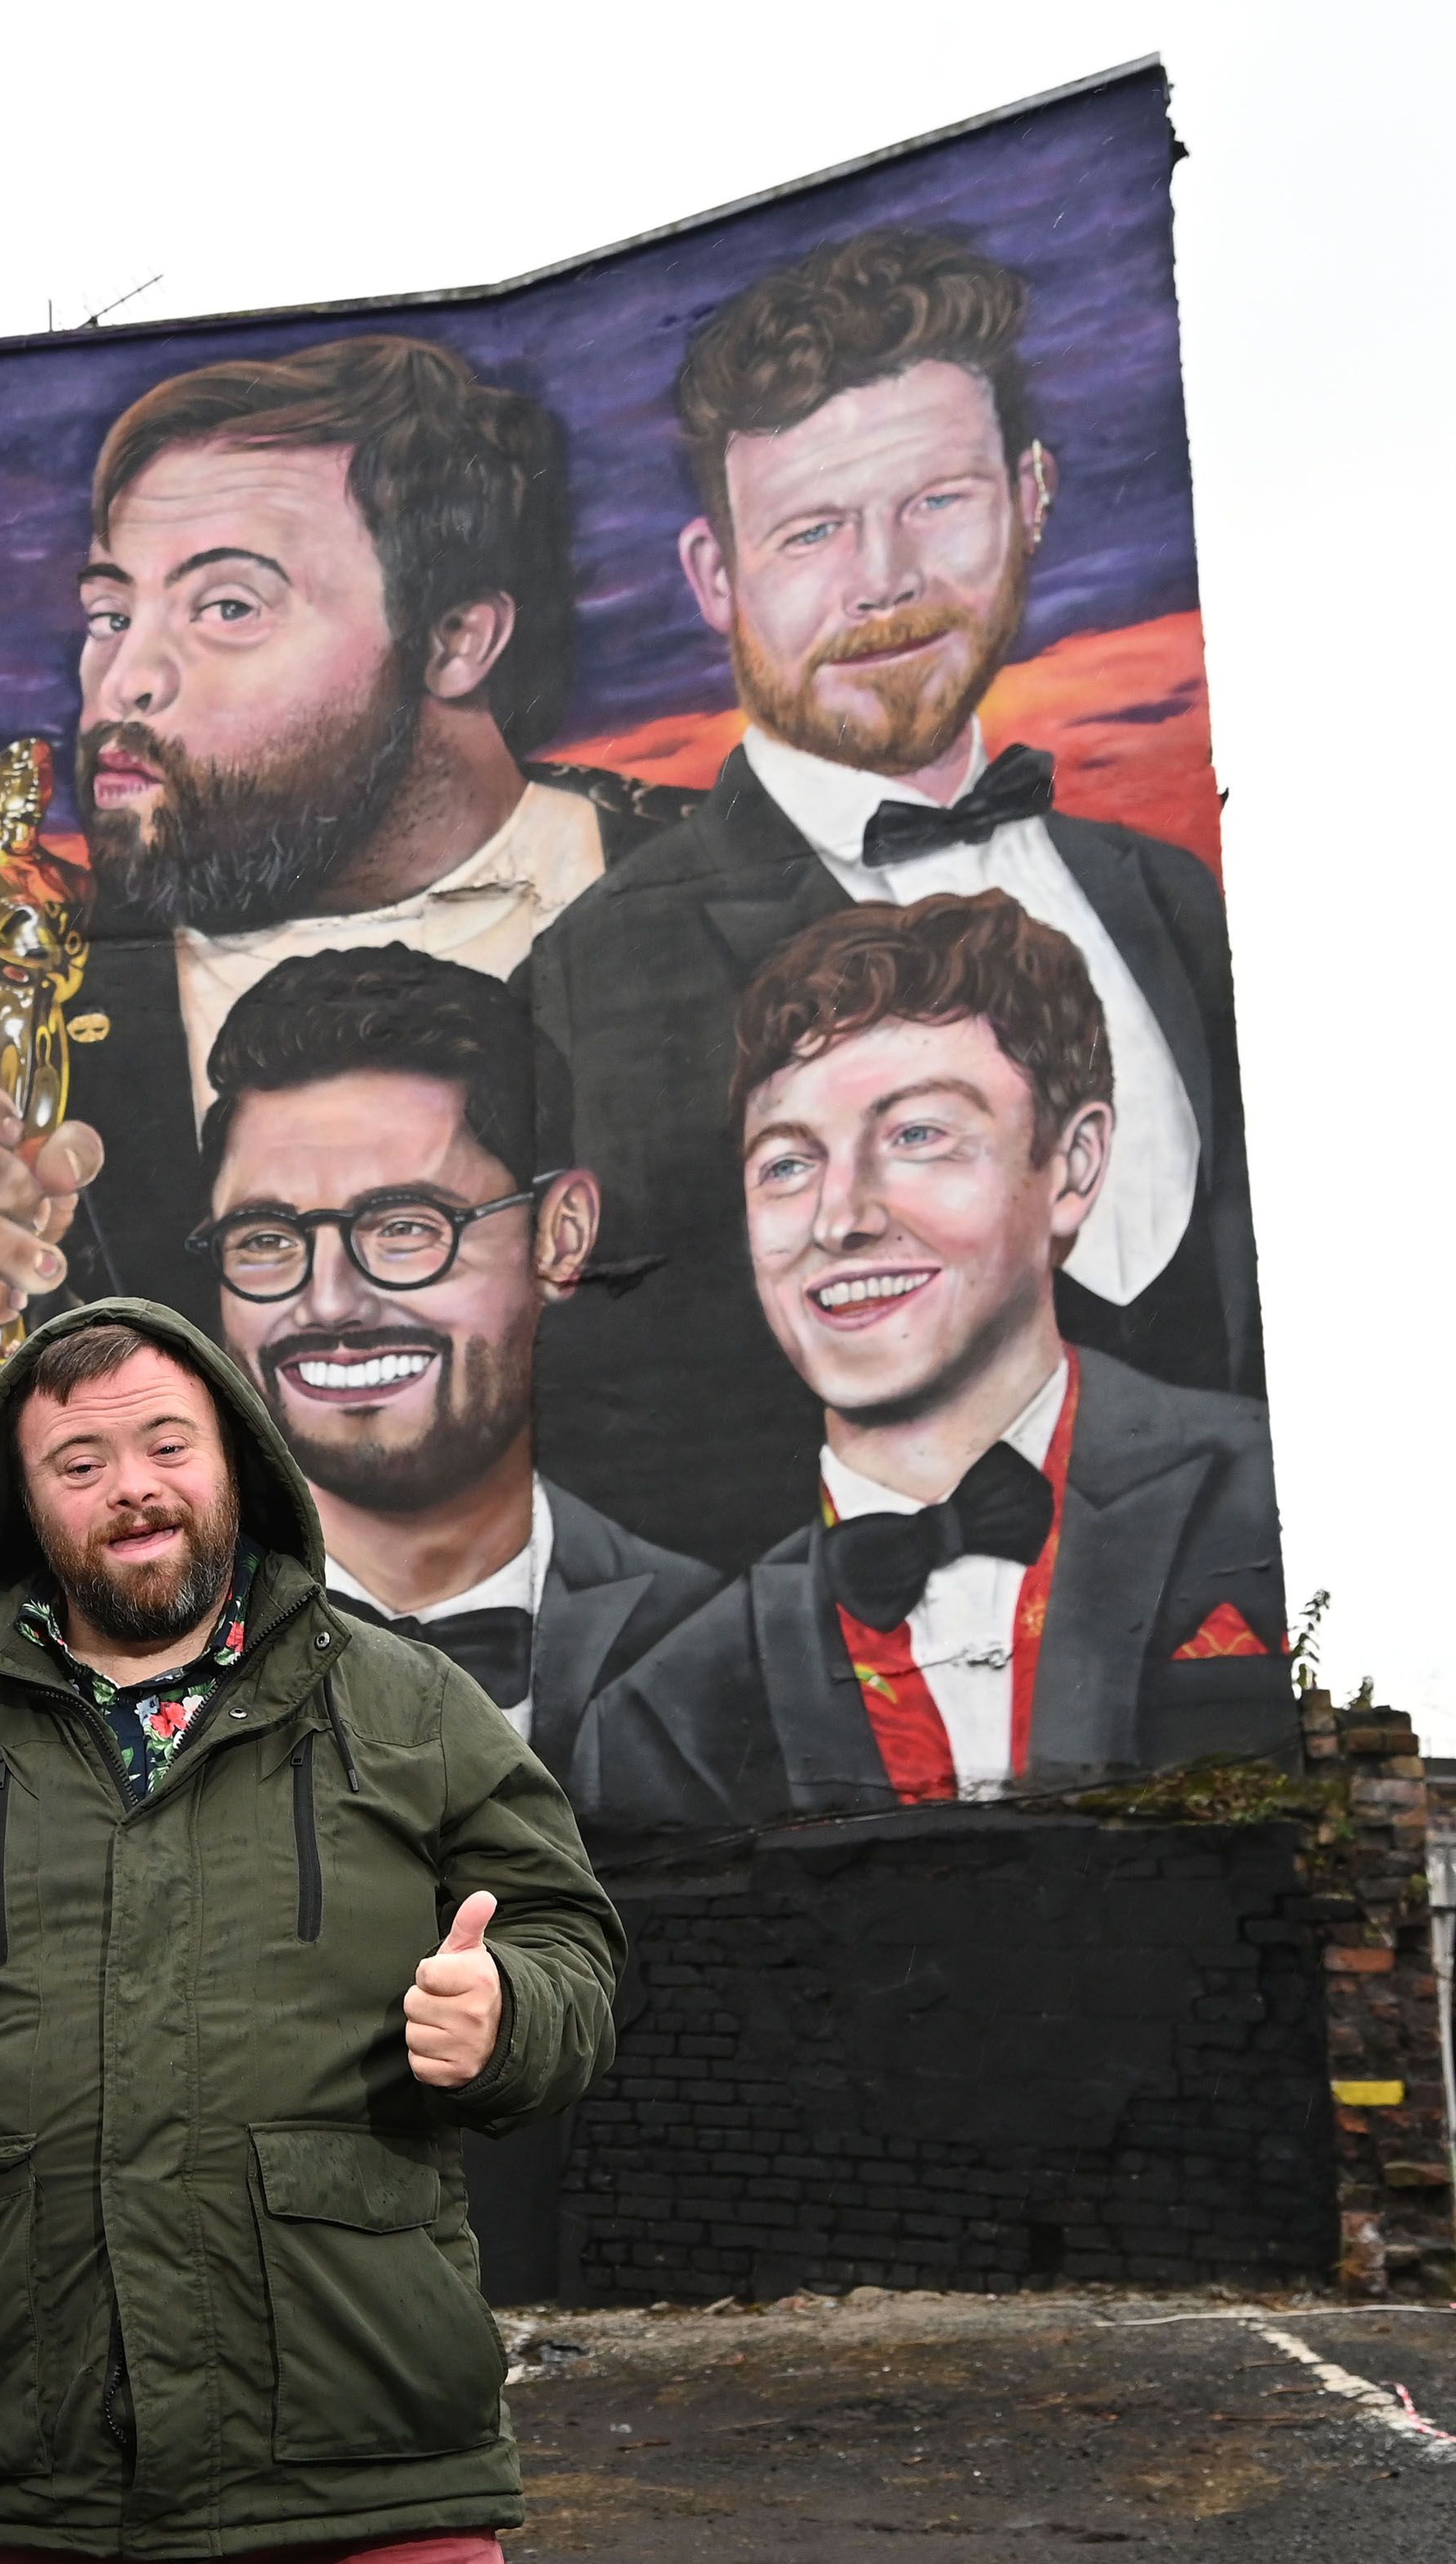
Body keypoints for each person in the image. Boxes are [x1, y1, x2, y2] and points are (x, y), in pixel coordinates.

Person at [0, 335, 691, 1586]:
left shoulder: (716, 902)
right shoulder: (20, 982)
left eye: (227, 606)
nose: (124, 682)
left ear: (456, 638)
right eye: (110, 613)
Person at [0, 1298, 621, 2561]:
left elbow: (567, 1940)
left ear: (237, 1461)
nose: (133, 1487)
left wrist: (511, 2012)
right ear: (22, 1502)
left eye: (167, 1444)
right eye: (79, 1463)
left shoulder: (410, 1703)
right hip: (38, 2467)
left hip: (369, 2460)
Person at [525, 229, 1260, 1573]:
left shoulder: (1165, 897)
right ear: (714, 575)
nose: (885, 578)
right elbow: (616, 1434)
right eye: (813, 530)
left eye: (937, 499)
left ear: (1032, 495)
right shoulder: (591, 974)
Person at [572, 895, 1289, 1837]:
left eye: (916, 1135)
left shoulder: (1269, 1494)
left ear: (1072, 1166)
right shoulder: (666, 1715)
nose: (840, 1218)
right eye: (786, 1165)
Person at [196, 945, 720, 1783]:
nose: (328, 1303)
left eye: (405, 1227)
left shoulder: (721, 1636)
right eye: (266, 1239)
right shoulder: (137, 1645)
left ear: (560, 1237)